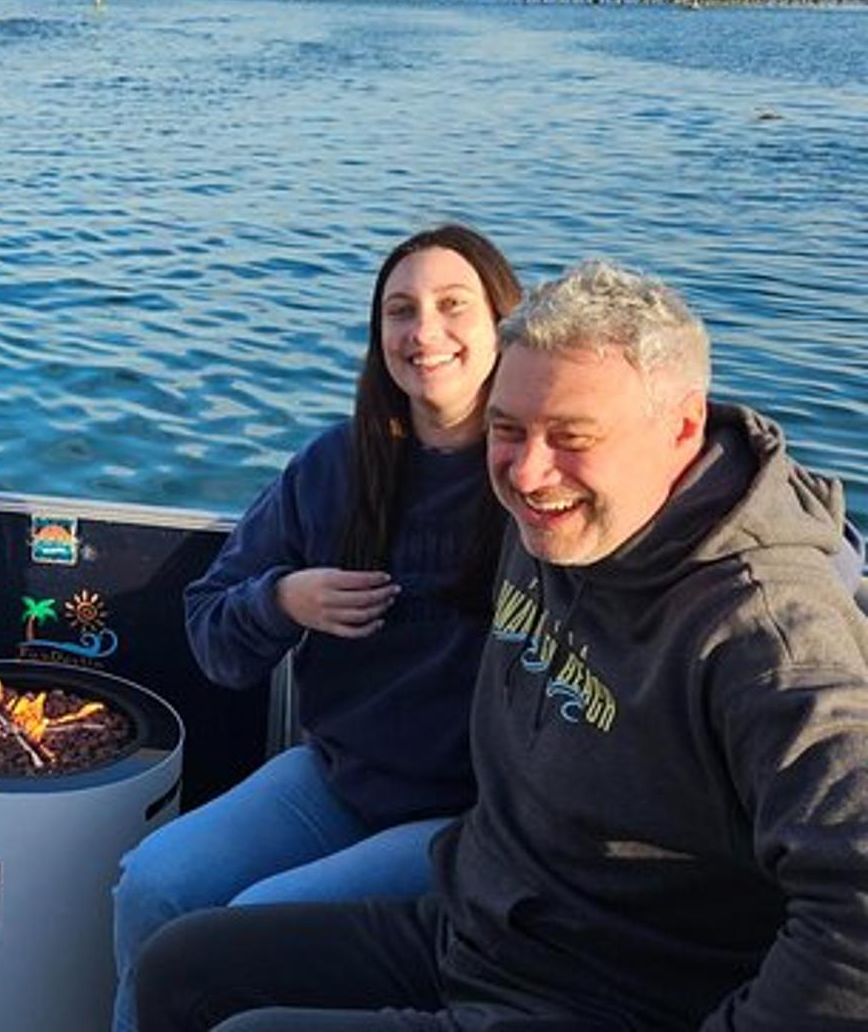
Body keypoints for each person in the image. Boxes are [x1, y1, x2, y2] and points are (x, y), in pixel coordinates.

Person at [134, 260, 868, 1032]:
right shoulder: (543, 525)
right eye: (507, 429)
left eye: (572, 436)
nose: (527, 470)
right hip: (476, 922)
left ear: (683, 427)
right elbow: (224, 626)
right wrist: (281, 598)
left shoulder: (769, 635)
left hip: (605, 992)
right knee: (180, 966)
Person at [110, 224, 521, 1030]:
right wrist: (282, 599)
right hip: (337, 777)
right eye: (399, 310)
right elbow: (211, 629)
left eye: (451, 306)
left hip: (463, 821)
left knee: (252, 925)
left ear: (503, 323)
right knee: (153, 883)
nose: (424, 332)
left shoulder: (534, 478)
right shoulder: (334, 467)